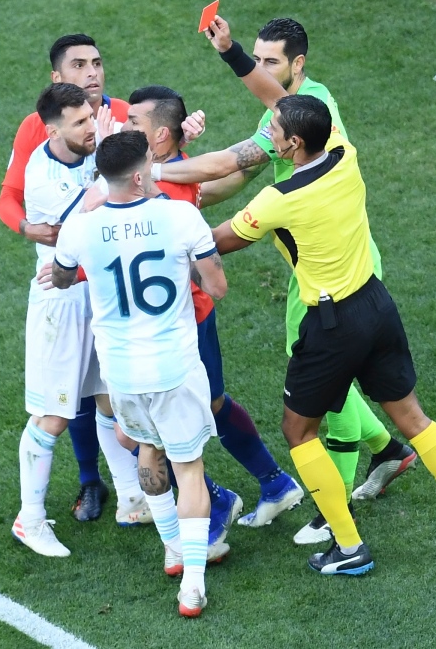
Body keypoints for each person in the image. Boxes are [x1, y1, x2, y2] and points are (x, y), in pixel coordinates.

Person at [164, 94, 436, 574]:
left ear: (294, 143)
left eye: (274, 129)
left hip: (331, 326)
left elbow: (215, 242)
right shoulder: (345, 155)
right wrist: (234, 55)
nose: (266, 132)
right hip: (376, 304)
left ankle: (349, 547)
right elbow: (286, 102)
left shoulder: (277, 200)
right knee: (413, 417)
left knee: (298, 430)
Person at [197, 16, 417, 542]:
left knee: (325, 390)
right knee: (330, 381)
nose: (263, 71)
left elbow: (235, 159)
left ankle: (332, 509)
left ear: (297, 65)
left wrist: (160, 181)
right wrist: (192, 199)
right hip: (312, 271)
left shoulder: (314, 106)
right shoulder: (285, 117)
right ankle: (388, 451)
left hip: (338, 277)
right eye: (258, 58)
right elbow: (241, 172)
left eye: (271, 61)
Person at [0, 34, 205, 522]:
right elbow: (12, 195)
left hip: (108, 283)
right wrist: (27, 227)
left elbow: (146, 171)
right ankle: (89, 486)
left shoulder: (119, 115)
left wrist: (178, 138)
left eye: (97, 62)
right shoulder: (39, 132)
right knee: (68, 401)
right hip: (66, 283)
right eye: (78, 65)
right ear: (57, 78)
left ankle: (134, 495)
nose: (91, 73)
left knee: (109, 396)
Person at [51, 130, 227, 617]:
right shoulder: (179, 216)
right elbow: (218, 285)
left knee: (148, 449)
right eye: (151, 162)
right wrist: (188, 265)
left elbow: (63, 276)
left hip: (121, 374)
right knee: (189, 468)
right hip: (173, 367)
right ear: (137, 174)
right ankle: (192, 584)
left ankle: (172, 548)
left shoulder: (81, 228)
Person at [123, 85, 304, 535]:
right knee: (211, 404)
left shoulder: (161, 189)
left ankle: (212, 507)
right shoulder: (169, 175)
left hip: (172, 323)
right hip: (182, 317)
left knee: (143, 430)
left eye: (133, 123)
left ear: (159, 136)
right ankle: (273, 484)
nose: (124, 127)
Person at [11, 83, 150, 558]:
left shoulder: (94, 149)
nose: (91, 128)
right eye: (79, 123)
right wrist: (109, 158)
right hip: (62, 303)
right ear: (52, 130)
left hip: (101, 297)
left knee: (110, 400)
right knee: (52, 416)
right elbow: (76, 223)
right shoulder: (41, 174)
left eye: (92, 118)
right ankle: (29, 519)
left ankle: (132, 497)